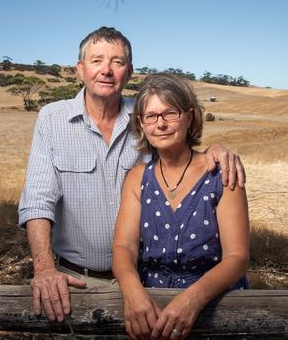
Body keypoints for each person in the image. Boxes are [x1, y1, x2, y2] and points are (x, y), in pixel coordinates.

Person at [18, 27, 246, 323]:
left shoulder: (143, 116)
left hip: (142, 280)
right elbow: (37, 200)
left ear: (129, 72)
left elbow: (178, 149)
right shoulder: (52, 118)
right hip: (73, 278)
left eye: (117, 62)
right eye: (97, 60)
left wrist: (216, 149)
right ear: (80, 69)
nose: (106, 70)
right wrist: (46, 270)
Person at [112, 73, 249, 340]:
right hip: (151, 308)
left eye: (170, 113)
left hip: (215, 307)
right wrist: (133, 292)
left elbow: (237, 257)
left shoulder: (222, 173)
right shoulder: (137, 178)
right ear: (141, 123)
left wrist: (191, 301)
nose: (160, 124)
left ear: (189, 116)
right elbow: (123, 246)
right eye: (151, 116)